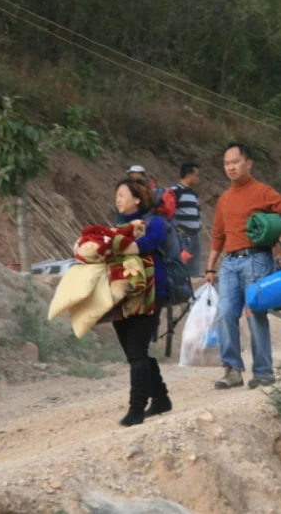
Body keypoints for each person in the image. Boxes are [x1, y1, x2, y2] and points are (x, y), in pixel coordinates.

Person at [205, 143, 281, 390]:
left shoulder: (261, 192)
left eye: (235, 162)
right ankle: (232, 371)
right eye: (226, 163)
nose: (231, 167)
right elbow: (218, 234)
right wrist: (210, 267)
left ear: (248, 163)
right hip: (229, 263)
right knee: (225, 314)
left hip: (256, 260)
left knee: (255, 314)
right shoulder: (224, 199)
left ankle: (263, 372)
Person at [112, 179, 172, 426]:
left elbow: (152, 242)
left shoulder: (154, 222)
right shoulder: (117, 227)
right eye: (116, 195)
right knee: (134, 352)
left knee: (137, 352)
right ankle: (161, 398)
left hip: (149, 293)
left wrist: (125, 247)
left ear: (137, 199)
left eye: (122, 195)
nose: (117, 199)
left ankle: (136, 409)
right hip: (122, 296)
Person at [170, 163, 202, 277]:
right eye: (196, 175)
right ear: (188, 175)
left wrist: (199, 224)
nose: (197, 178)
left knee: (194, 268)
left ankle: (193, 291)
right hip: (182, 237)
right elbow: (168, 213)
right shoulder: (174, 192)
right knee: (181, 267)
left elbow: (197, 211)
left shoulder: (193, 194)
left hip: (195, 236)